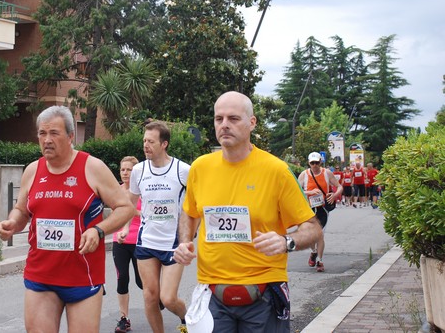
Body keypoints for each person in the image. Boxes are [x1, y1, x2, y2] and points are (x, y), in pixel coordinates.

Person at [173, 91, 322, 332]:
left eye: (233, 118)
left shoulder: (277, 171)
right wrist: (184, 242)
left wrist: (287, 242)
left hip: (264, 294)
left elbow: (313, 228)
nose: (224, 125)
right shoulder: (200, 168)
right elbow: (190, 212)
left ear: (252, 123)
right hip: (213, 295)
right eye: (218, 119)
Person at [0, 106, 134, 333]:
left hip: (82, 276)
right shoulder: (33, 170)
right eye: (42, 133)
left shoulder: (92, 167)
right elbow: (22, 211)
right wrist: (12, 222)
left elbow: (125, 208)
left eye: (54, 133)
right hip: (41, 274)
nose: (47, 140)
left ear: (71, 136)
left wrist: (99, 230)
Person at [129, 121, 190, 333]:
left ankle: (186, 318)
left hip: (173, 243)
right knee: (149, 296)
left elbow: (196, 205)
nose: (146, 145)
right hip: (147, 241)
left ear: (164, 144)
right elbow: (128, 203)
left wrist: (190, 236)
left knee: (168, 298)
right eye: (144, 140)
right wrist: (123, 228)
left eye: (151, 141)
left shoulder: (183, 170)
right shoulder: (138, 170)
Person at [298, 152, 343, 272]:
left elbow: (340, 187)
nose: (315, 165)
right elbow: (296, 190)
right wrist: (309, 193)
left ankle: (320, 260)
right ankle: (313, 252)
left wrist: (334, 195)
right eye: (312, 163)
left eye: (317, 162)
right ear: (309, 163)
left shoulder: (327, 173)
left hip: (323, 208)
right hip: (309, 209)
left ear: (320, 162)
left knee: (320, 235)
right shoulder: (304, 174)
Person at [113, 156, 143, 333]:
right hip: (120, 241)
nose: (125, 173)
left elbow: (147, 212)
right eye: (122, 169)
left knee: (142, 282)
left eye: (129, 170)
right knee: (122, 278)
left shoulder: (142, 191)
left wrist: (133, 211)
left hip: (140, 241)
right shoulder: (116, 191)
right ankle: (124, 319)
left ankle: (161, 297)